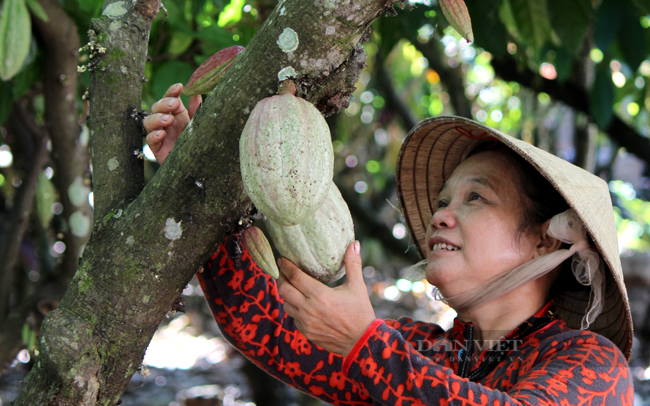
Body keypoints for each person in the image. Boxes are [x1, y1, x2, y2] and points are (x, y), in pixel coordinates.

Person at [144, 84, 634, 405]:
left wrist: (365, 343)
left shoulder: (591, 363)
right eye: (444, 200)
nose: (441, 214)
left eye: (476, 197)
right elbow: (265, 325)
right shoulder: (429, 353)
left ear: (545, 242)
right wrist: (196, 180)